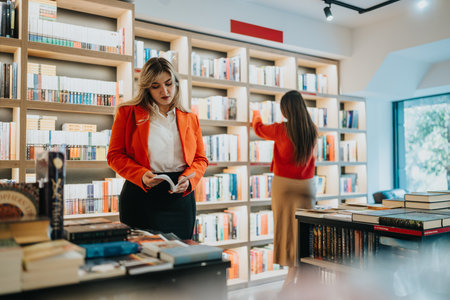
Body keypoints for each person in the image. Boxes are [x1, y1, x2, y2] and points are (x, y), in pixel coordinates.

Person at [107, 57, 208, 240]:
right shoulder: (127, 113)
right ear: (146, 88)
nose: (164, 91)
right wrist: (140, 175)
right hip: (141, 195)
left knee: (180, 258)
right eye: (156, 86)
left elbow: (200, 159)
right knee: (142, 260)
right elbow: (114, 155)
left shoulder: (190, 118)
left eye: (169, 83)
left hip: (180, 197)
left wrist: (189, 180)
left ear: (176, 83)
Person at [252, 90, 317, 288]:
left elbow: (259, 129)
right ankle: (301, 276)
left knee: (285, 229)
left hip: (284, 185)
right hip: (307, 185)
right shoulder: (312, 129)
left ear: (285, 109)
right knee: (305, 230)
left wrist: (255, 113)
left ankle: (289, 279)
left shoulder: (281, 129)